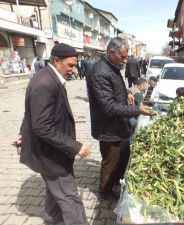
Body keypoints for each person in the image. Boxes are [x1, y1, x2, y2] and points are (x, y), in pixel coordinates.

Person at [12, 43, 91, 225]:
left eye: (75, 65)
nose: (74, 70)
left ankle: (52, 221)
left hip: (50, 152)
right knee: (71, 200)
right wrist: (76, 147)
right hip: (51, 156)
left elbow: (32, 114)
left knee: (55, 195)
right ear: (56, 61)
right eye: (70, 65)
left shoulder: (49, 77)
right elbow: (42, 127)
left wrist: (22, 133)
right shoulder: (45, 83)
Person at [86, 37, 154, 200]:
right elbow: (108, 107)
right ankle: (105, 190)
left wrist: (127, 94)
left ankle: (117, 181)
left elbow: (117, 89)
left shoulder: (113, 66)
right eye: (123, 57)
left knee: (124, 155)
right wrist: (137, 110)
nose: (125, 60)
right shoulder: (100, 72)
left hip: (119, 125)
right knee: (111, 161)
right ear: (111, 53)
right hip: (108, 128)